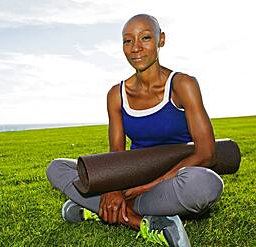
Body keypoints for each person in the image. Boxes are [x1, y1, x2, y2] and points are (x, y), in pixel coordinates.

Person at [46, 14, 224, 247]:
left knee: (206, 184)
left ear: (161, 40)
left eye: (145, 38)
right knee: (57, 167)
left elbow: (206, 154)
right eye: (128, 41)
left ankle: (97, 209)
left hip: (172, 178)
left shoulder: (182, 85)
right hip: (134, 176)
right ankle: (140, 221)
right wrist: (114, 189)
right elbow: (116, 156)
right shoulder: (116, 95)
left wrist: (140, 189)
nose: (136, 48)